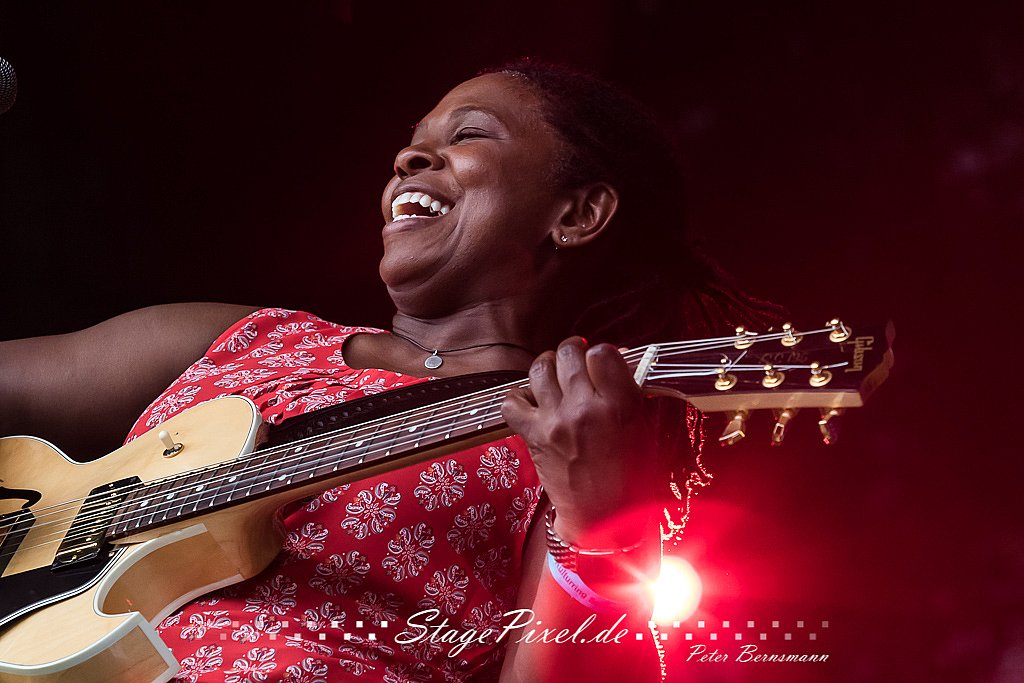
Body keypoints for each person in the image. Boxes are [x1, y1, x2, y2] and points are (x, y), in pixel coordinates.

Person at [0, 61, 776, 682]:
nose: (408, 158)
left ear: (575, 214)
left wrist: (601, 527)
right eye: (412, 142)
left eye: (469, 134)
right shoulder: (242, 338)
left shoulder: (577, 435)